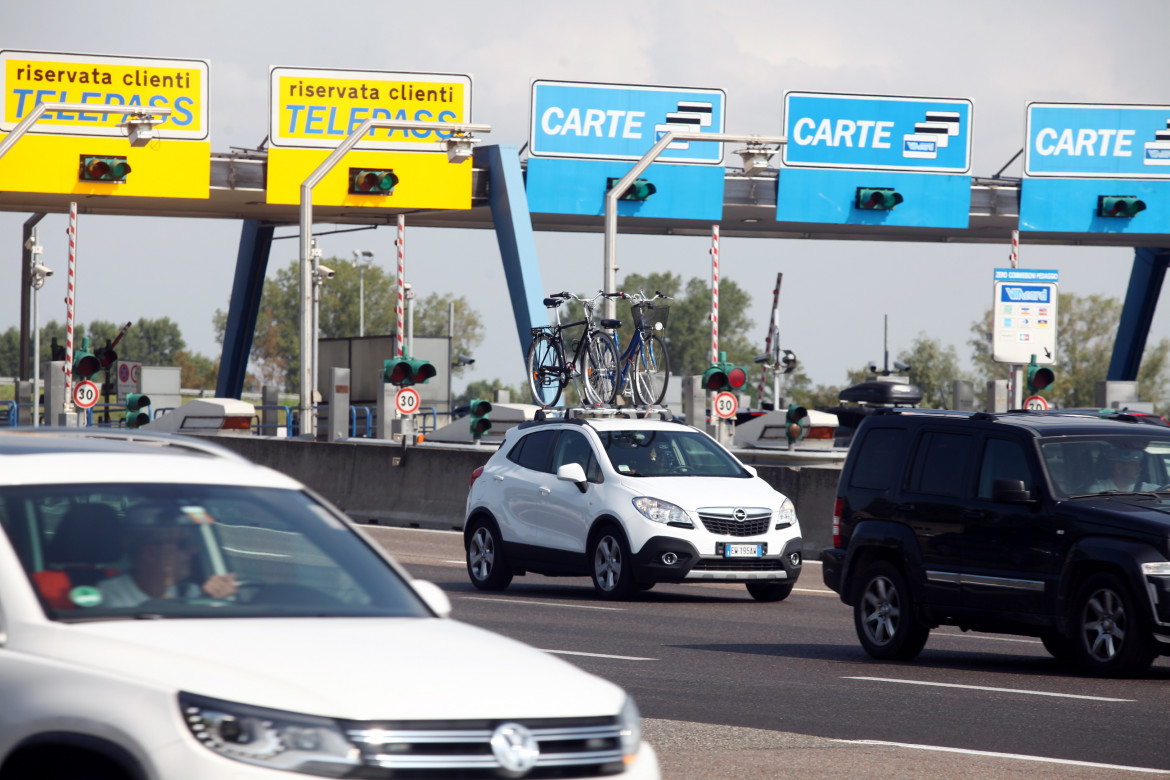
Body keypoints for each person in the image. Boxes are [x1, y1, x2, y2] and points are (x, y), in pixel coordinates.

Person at [97, 506, 237, 608]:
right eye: (183, 544)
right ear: (151, 553)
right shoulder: (110, 599)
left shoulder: (190, 592)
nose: (193, 550)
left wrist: (208, 600)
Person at [1087, 448, 1162, 493]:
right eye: (1134, 464)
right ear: (1118, 468)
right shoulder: (1098, 490)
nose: (1139, 468)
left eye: (1139, 464)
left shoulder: (1145, 489)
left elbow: (1162, 491)